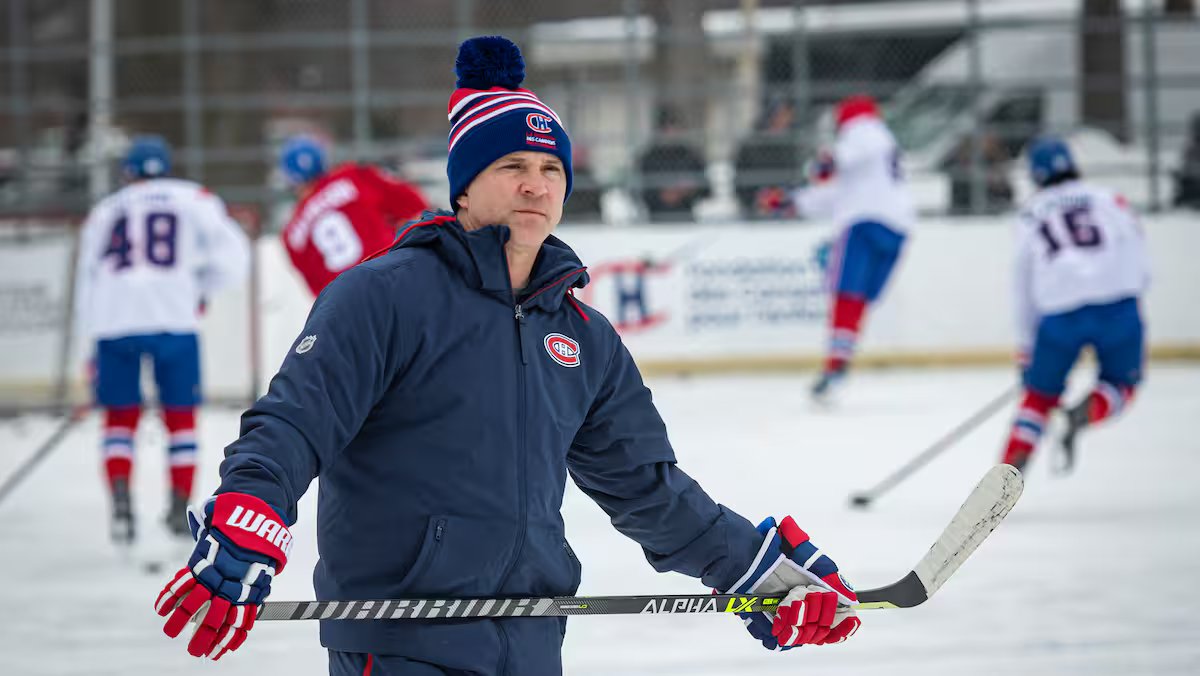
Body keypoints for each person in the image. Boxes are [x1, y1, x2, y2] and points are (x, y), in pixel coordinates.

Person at [153, 37, 862, 674]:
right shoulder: (383, 295)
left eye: (552, 168)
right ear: (464, 185)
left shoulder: (583, 337)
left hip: (531, 645)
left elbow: (649, 491)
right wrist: (248, 511)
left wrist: (755, 571)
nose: (536, 184)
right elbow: (295, 423)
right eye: (512, 165)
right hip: (400, 645)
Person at [73, 135, 250, 547]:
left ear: (128, 171)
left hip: (114, 324)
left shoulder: (105, 211)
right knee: (181, 417)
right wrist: (199, 290)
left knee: (119, 417)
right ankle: (178, 505)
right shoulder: (193, 198)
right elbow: (235, 256)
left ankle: (120, 503)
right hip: (173, 318)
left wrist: (90, 343)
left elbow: (88, 280)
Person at [1000, 136, 1149, 473]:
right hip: (1118, 304)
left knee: (1038, 397)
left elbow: (1022, 282)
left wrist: (1026, 347)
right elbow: (1136, 246)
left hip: (1060, 312)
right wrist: (1135, 291)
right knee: (1122, 384)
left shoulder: (1029, 215)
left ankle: (1008, 470)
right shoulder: (1110, 199)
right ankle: (1085, 412)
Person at [790, 95, 916, 401]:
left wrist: (824, 162)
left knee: (846, 294)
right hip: (899, 227)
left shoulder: (864, 133)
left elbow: (833, 167)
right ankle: (839, 361)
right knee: (860, 299)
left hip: (863, 222)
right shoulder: (883, 147)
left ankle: (836, 363)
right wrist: (793, 200)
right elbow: (838, 192)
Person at [278, 136, 429, 296]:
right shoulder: (351, 177)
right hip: (395, 275)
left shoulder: (291, 235)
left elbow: (320, 294)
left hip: (353, 305)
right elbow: (414, 204)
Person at [733, 98, 804, 220]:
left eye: (787, 115)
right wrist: (762, 198)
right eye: (781, 115)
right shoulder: (751, 144)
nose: (785, 119)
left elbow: (799, 177)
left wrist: (784, 196)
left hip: (786, 204)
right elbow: (741, 181)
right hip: (758, 207)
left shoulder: (794, 142)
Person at [636, 106, 710, 223]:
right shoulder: (648, 157)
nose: (671, 132)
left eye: (675, 127)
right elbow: (639, 190)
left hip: (686, 216)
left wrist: (688, 191)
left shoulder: (691, 155)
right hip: (655, 219)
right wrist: (661, 195)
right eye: (667, 128)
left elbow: (706, 189)